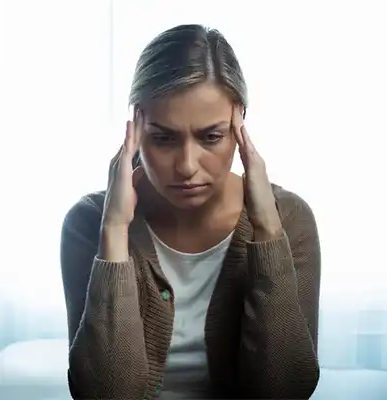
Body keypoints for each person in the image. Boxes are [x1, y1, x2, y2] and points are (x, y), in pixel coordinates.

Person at [60, 24, 321, 400]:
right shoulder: (89, 223)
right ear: (137, 126)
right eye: (163, 138)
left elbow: (284, 390)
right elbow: (107, 394)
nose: (186, 165)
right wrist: (115, 232)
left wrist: (266, 229)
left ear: (239, 123)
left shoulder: (290, 219)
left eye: (211, 137)